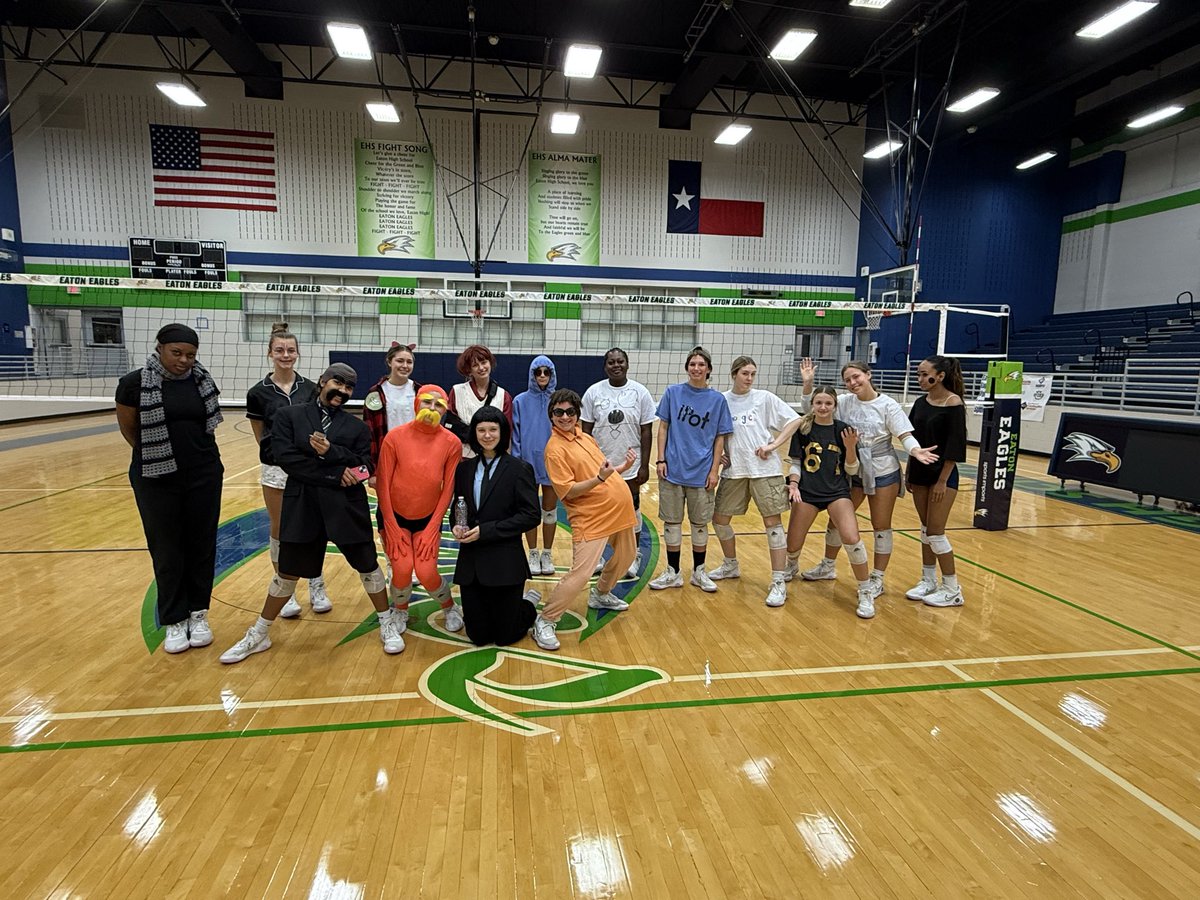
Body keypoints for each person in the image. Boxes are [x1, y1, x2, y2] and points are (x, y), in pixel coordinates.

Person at [220, 363, 403, 663]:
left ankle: (386, 624)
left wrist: (330, 452)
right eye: (338, 383)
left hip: (347, 508)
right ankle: (259, 633)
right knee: (287, 572)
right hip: (303, 504)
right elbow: (285, 459)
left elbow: (365, 467)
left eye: (348, 388)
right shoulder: (288, 417)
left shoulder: (356, 428)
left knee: (368, 566)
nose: (342, 391)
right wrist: (333, 473)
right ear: (322, 381)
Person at [116, 323, 224, 654]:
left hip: (203, 473)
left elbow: (207, 427)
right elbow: (130, 430)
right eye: (177, 353)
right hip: (155, 478)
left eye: (190, 355)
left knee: (201, 546)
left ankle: (198, 614)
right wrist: (159, 461)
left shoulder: (202, 381)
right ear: (160, 347)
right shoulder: (133, 384)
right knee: (166, 548)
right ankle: (175, 619)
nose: (184, 360)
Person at [794, 358, 940, 602]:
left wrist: (915, 451)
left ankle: (877, 578)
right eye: (848, 380)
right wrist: (808, 382)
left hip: (883, 470)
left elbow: (905, 434)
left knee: (881, 525)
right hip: (853, 470)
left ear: (868, 374)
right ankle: (828, 565)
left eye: (856, 377)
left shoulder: (888, 405)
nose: (852, 383)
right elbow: (811, 407)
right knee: (836, 521)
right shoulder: (844, 402)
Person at [536, 389, 639, 651]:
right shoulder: (554, 450)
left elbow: (601, 471)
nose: (565, 417)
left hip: (618, 512)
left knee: (626, 556)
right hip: (591, 517)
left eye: (570, 411)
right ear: (551, 415)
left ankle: (601, 594)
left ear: (577, 414)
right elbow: (568, 490)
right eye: (559, 412)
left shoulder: (586, 437)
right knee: (580, 575)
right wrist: (601, 479)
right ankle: (546, 619)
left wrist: (622, 469)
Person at [245, 323, 330, 617]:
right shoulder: (258, 392)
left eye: (290, 350)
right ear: (270, 353)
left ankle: (316, 584)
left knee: (313, 527)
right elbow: (259, 433)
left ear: (298, 353)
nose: (285, 354)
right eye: (280, 350)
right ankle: (285, 588)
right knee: (280, 529)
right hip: (276, 470)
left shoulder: (310, 389)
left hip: (308, 468)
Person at [707, 356, 804, 607]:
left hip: (765, 470)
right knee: (719, 520)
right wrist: (720, 454)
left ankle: (778, 580)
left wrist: (774, 444)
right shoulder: (722, 400)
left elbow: (795, 420)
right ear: (734, 374)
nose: (749, 378)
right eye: (745, 373)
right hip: (734, 471)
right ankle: (730, 564)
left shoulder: (764, 398)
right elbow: (713, 432)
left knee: (772, 524)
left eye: (752, 373)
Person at [375, 385, 464, 632]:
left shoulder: (452, 443)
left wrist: (433, 527)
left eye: (439, 405)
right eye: (427, 402)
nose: (432, 409)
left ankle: (449, 606)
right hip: (394, 516)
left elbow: (448, 490)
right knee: (402, 569)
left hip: (427, 519)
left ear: (445, 410)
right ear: (416, 403)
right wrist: (391, 526)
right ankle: (400, 610)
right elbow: (383, 484)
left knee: (426, 572)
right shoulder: (394, 437)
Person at [783, 386, 877, 618]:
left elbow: (852, 469)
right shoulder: (803, 428)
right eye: (819, 403)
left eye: (828, 403)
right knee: (792, 545)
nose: (823, 407)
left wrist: (851, 448)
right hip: (808, 491)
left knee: (852, 538)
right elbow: (796, 463)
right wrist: (793, 484)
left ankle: (865, 590)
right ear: (812, 405)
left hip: (836, 492)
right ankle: (792, 564)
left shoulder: (843, 430)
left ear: (835, 406)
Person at [452, 407, 542, 645]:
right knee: (478, 637)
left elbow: (532, 515)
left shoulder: (519, 468)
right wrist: (456, 526)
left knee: (505, 636)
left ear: (503, 432)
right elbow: (458, 507)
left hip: (505, 560)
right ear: (474, 433)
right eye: (481, 430)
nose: (487, 435)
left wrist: (488, 530)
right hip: (472, 561)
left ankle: (528, 604)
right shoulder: (464, 469)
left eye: (493, 429)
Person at [649, 346, 733, 593]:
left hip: (702, 472)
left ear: (708, 370)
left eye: (701, 365)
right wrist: (661, 460)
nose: (696, 368)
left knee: (699, 525)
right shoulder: (673, 393)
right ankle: (673, 572)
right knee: (672, 524)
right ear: (687, 368)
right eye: (692, 364)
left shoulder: (717, 400)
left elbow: (720, 438)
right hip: (673, 470)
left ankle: (699, 572)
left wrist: (714, 469)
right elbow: (663, 427)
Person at [581, 347, 655, 580]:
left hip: (630, 464)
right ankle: (599, 557)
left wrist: (644, 465)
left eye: (620, 361)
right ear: (605, 367)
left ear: (627, 364)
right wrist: (588, 462)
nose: (616, 365)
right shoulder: (593, 392)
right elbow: (586, 430)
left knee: (632, 508)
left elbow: (646, 431)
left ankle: (633, 556)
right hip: (601, 465)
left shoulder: (640, 392)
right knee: (600, 511)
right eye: (611, 362)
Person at [905, 355, 969, 608]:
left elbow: (955, 446)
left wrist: (943, 481)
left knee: (936, 532)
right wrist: (909, 471)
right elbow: (912, 440)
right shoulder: (921, 403)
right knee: (925, 530)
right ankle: (928, 580)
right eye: (919, 374)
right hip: (920, 473)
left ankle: (952, 588)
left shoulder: (954, 403)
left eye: (924, 374)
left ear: (940, 376)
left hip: (942, 475)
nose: (920, 379)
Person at [511, 355, 559, 577]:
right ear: (532, 374)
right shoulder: (520, 401)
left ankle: (547, 553)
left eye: (546, 372)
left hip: (552, 464)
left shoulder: (559, 400)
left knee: (549, 511)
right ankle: (532, 552)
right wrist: (519, 462)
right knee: (530, 512)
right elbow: (516, 435)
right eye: (538, 372)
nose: (542, 376)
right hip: (527, 465)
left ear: (551, 375)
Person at [362, 342, 422, 475]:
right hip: (388, 455)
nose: (405, 366)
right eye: (400, 361)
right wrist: (374, 470)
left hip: (416, 454)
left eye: (409, 362)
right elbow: (370, 433)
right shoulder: (376, 393)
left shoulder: (420, 391)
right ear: (389, 362)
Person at [447, 344, 513, 457]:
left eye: (484, 362)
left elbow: (507, 432)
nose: (481, 368)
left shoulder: (503, 395)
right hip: (463, 457)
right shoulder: (457, 391)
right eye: (475, 365)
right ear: (469, 370)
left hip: (492, 457)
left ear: (490, 363)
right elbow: (449, 425)